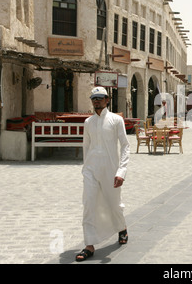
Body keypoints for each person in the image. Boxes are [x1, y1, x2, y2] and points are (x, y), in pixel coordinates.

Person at [75, 87, 130, 262]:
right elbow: (86, 147)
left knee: (114, 204)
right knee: (89, 204)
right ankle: (89, 245)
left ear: (107, 99)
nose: (96, 101)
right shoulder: (88, 122)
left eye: (100, 98)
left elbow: (125, 146)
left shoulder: (116, 120)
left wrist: (121, 171)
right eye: (94, 98)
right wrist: (86, 169)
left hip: (111, 170)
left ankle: (122, 228)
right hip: (91, 170)